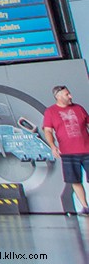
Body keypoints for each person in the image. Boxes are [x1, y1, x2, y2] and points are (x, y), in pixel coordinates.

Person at [43, 85, 89, 214]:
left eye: (69, 93)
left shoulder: (79, 108)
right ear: (58, 97)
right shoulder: (50, 112)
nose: (70, 96)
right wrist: (53, 146)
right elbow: (48, 130)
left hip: (87, 149)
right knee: (74, 180)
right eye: (67, 94)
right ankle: (85, 207)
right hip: (68, 152)